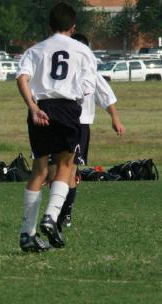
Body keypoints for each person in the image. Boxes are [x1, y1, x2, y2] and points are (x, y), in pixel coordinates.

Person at [16, 2, 97, 252]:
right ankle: (51, 216)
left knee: (39, 171)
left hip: (39, 108)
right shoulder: (82, 51)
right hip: (66, 109)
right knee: (65, 165)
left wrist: (32, 106)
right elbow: (88, 86)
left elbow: (22, 78)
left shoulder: (35, 50)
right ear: (73, 28)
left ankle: (27, 235)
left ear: (49, 26)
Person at [55, 33, 125, 230]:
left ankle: (65, 214)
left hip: (80, 125)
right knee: (55, 170)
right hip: (59, 123)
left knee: (71, 170)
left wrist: (115, 119)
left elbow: (106, 96)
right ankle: (56, 210)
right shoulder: (61, 72)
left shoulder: (91, 73)